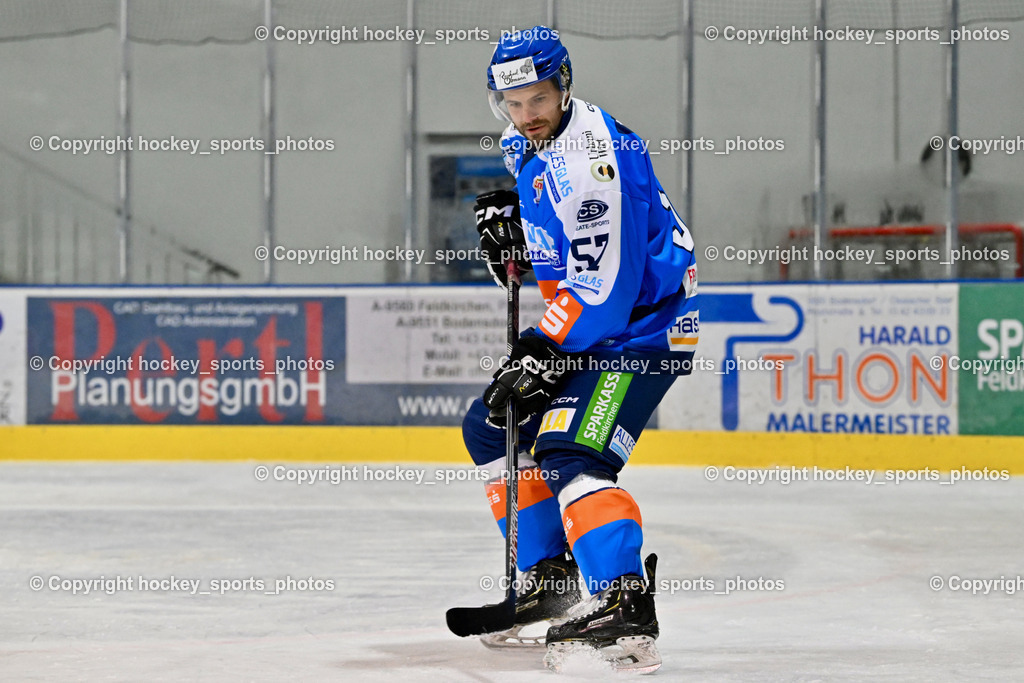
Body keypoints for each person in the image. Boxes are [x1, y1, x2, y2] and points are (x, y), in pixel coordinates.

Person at [462, 25, 699, 673]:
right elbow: (549, 220)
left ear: (564, 86)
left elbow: (605, 287)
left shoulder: (598, 163)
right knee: (491, 427)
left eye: (537, 99)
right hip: (598, 326)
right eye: (511, 104)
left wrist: (544, 349)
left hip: (644, 330)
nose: (525, 116)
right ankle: (549, 578)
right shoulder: (525, 140)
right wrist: (513, 223)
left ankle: (623, 599)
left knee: (571, 445)